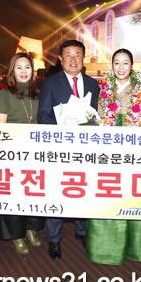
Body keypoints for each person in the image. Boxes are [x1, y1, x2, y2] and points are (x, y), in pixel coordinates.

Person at [88, 48, 141, 265]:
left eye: (125, 63)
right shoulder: (105, 88)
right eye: (117, 62)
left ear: (132, 66)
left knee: (133, 194)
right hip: (109, 150)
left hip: (134, 150)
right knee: (110, 191)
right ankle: (106, 248)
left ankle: (137, 247)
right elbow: (100, 119)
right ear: (112, 66)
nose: (121, 67)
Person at [37, 39, 100, 260]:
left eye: (78, 55)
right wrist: (61, 132)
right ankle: (54, 239)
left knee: (83, 189)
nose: (73, 59)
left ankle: (82, 230)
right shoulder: (50, 83)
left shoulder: (93, 84)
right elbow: (43, 116)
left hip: (86, 150)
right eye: (68, 55)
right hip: (60, 148)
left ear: (83, 58)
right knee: (57, 191)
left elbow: (97, 116)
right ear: (61, 59)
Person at [0, 52, 44, 255]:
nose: (24, 71)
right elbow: (0, 130)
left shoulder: (38, 94)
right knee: (14, 195)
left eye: (27, 67)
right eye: (19, 67)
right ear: (12, 71)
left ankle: (31, 229)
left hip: (35, 153)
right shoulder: (4, 95)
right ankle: (16, 235)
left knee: (33, 192)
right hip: (13, 154)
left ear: (33, 71)